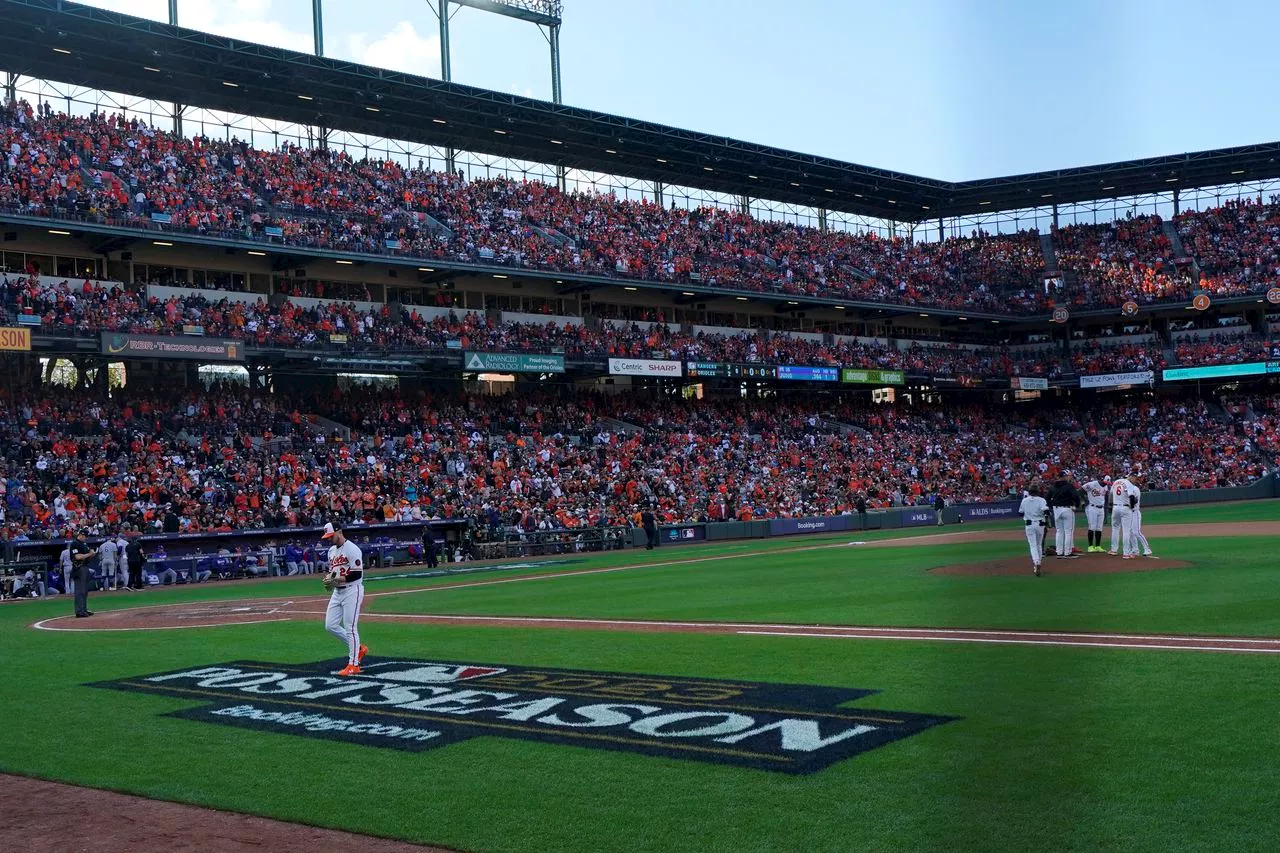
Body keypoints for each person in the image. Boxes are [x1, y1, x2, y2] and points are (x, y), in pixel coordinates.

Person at [321, 522, 368, 676]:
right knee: (330, 625)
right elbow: (333, 572)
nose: (329, 539)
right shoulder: (331, 551)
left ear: (339, 532)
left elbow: (357, 574)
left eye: (331, 536)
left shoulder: (352, 549)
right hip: (337, 592)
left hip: (352, 591)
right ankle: (359, 648)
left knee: (350, 627)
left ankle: (353, 665)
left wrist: (337, 580)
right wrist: (329, 580)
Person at [1046, 474, 1081, 559]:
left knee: (1059, 531)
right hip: (1067, 509)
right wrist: (1076, 505)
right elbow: (1076, 496)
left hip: (1056, 510)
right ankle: (1067, 552)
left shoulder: (1053, 486)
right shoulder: (1068, 486)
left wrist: (1052, 506)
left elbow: (1047, 498)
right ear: (1064, 477)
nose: (1068, 477)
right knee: (1068, 531)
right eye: (1067, 476)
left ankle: (1059, 552)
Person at [1018, 485, 1049, 576]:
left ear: (1029, 491)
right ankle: (1038, 563)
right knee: (1039, 544)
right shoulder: (1041, 500)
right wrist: (1046, 519)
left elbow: (1020, 513)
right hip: (1040, 524)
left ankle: (1036, 562)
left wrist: (1028, 514)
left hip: (1029, 524)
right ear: (1038, 492)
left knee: (1033, 545)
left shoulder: (1024, 500)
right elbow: (1046, 512)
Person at [1126, 472, 1156, 559]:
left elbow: (1134, 500)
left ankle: (1147, 549)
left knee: (1136, 532)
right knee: (1131, 532)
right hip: (1129, 513)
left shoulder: (1135, 489)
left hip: (1134, 512)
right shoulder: (1128, 488)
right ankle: (1135, 550)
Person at [1108, 473, 1137, 557]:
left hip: (1115, 507)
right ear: (1130, 477)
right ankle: (1126, 552)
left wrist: (1110, 506)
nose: (1135, 480)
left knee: (1115, 528)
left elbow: (1110, 495)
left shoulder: (1116, 482)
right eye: (1134, 478)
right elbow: (1131, 497)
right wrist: (1131, 507)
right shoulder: (1128, 484)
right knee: (1126, 530)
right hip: (1125, 508)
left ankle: (1114, 550)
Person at [69, 529, 95, 617]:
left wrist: (92, 554)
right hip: (79, 568)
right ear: (82, 535)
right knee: (80, 591)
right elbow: (78, 557)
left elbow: (87, 555)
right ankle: (79, 611)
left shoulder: (84, 544)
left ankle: (84, 609)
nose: (86, 539)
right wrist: (89, 554)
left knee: (84, 591)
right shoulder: (75, 543)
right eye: (85, 537)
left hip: (85, 567)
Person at [1081, 475, 1109, 553]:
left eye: (1107, 483)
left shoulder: (1105, 486)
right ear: (1101, 479)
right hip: (1092, 508)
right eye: (1105, 482)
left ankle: (1098, 546)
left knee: (1099, 528)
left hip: (1101, 508)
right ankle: (1090, 546)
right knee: (1092, 527)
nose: (1106, 484)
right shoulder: (1092, 484)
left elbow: (1105, 496)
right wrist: (1083, 501)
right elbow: (1081, 490)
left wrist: (1106, 506)